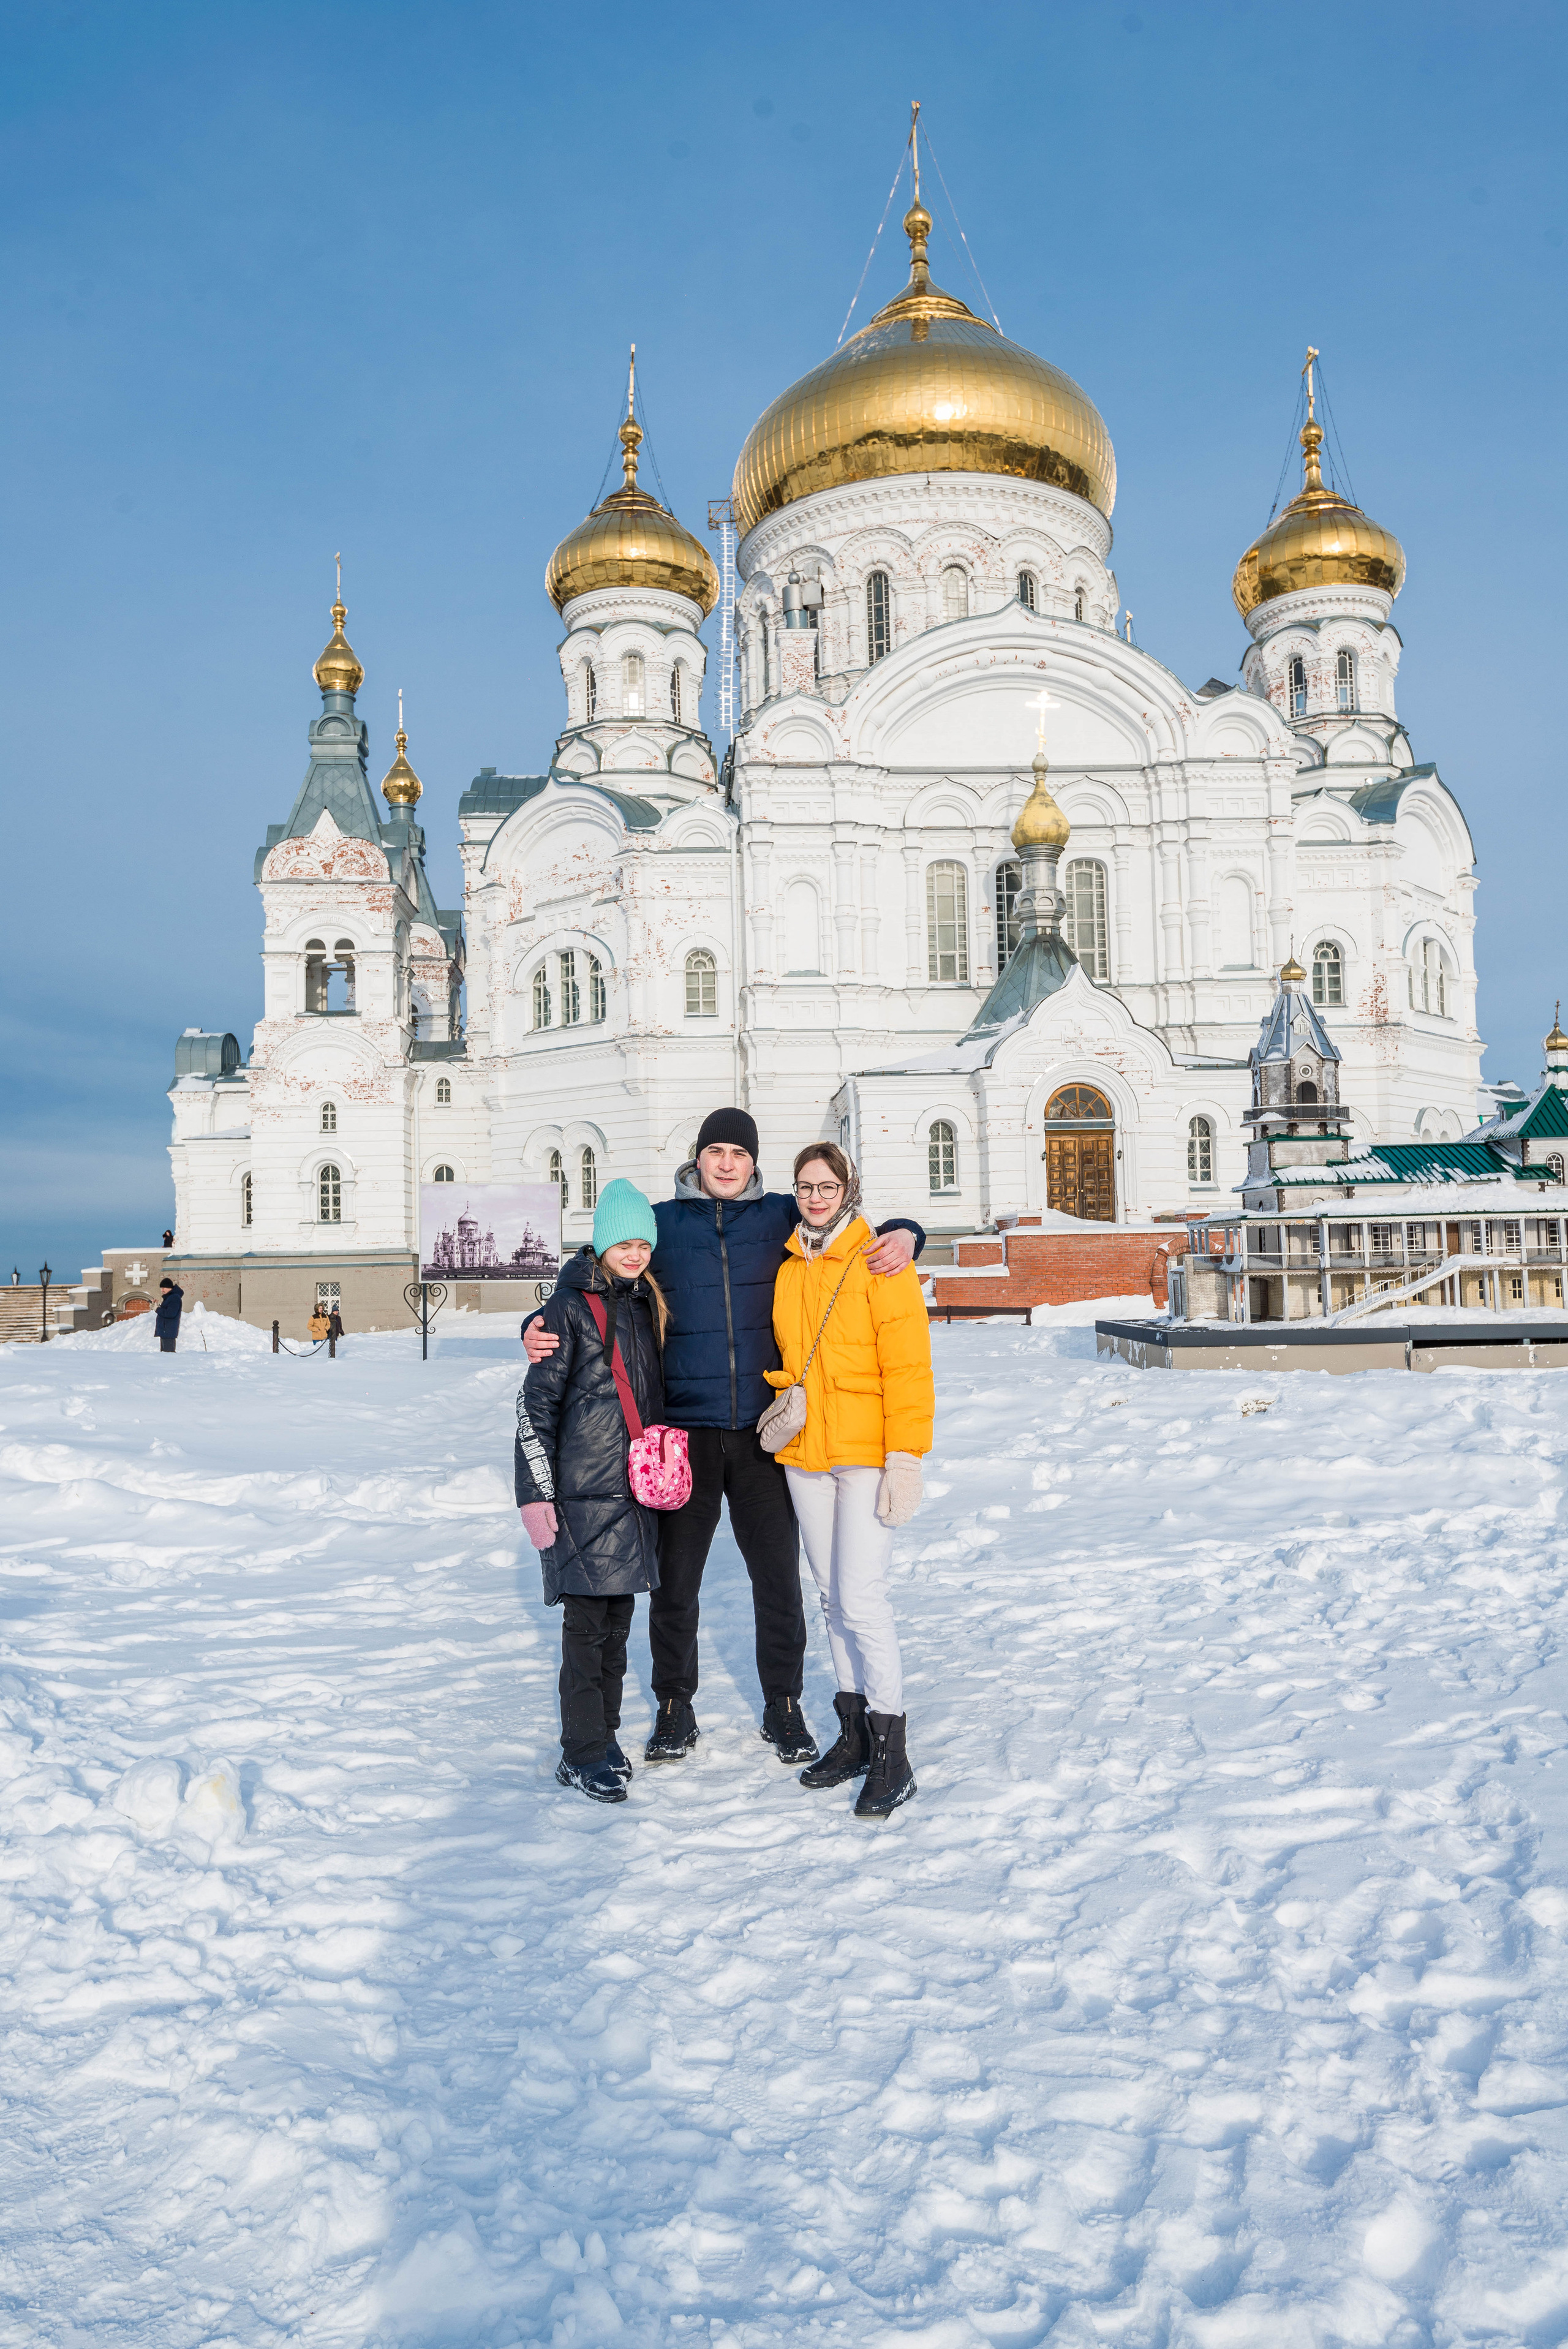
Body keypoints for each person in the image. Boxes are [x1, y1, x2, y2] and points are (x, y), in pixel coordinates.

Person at [523, 1108, 924, 1768]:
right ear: (698, 1157)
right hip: (684, 1434)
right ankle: (675, 1707)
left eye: (739, 1152)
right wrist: (541, 1319)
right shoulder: (665, 1222)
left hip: (766, 1435)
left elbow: (851, 1228)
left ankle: (783, 1705)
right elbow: (597, 1260)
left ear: (755, 1162)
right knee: (677, 1582)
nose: (728, 1163)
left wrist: (911, 1231)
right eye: (716, 1150)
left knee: (778, 1581)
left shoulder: (777, 1219)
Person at [767, 1142, 933, 1819]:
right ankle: (853, 1733)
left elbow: (908, 1367)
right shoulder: (787, 1266)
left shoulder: (880, 1261)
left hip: (866, 1453)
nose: (815, 1197)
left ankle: (893, 1749)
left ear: (849, 1189)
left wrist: (906, 1456)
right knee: (832, 1597)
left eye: (827, 1186)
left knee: (863, 1598)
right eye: (805, 1186)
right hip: (807, 1452)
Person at [515, 1178, 669, 1806]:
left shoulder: (640, 1303)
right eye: (622, 1242)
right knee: (586, 1630)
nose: (633, 1253)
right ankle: (579, 1753)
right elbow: (536, 1405)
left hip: (630, 1498)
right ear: (600, 1242)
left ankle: (602, 1738)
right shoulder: (566, 1309)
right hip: (579, 1497)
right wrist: (535, 1493)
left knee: (616, 1627)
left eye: (642, 1243)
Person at [154, 1277, 184, 1354]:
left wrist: (157, 1309)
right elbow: (168, 1310)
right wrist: (158, 1306)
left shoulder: (174, 1298)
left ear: (170, 1288)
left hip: (168, 1331)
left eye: (164, 1288)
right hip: (166, 1331)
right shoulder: (170, 1297)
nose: (162, 1290)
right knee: (165, 1355)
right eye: (161, 1288)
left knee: (168, 1356)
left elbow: (171, 1314)